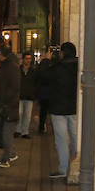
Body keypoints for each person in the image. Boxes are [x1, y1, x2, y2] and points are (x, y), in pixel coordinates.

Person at [41, 42, 78, 179]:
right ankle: (77, 165)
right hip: (74, 108)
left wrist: (46, 59)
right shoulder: (79, 66)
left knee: (61, 139)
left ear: (62, 53)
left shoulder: (57, 67)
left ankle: (63, 169)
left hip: (58, 109)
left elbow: (43, 76)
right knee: (75, 137)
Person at [0, 46, 21, 168]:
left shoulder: (10, 67)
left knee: (7, 133)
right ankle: (11, 154)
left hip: (9, 105)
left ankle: (6, 159)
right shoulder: (8, 66)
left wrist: (4, 99)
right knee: (2, 130)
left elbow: (13, 87)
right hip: (6, 103)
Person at [16, 52, 37, 138]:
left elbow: (36, 83)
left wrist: (34, 92)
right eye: (26, 59)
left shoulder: (33, 71)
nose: (28, 61)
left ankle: (25, 132)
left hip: (29, 96)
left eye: (29, 59)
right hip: (20, 95)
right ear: (23, 59)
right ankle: (18, 130)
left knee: (27, 115)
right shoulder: (18, 70)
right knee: (19, 113)